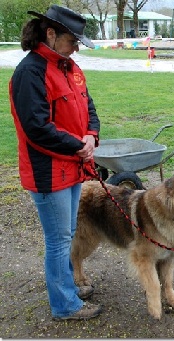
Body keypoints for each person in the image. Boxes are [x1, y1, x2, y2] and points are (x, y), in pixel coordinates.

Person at [9, 5, 102, 320]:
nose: (76, 47)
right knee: (59, 239)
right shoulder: (29, 72)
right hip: (48, 172)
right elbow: (36, 128)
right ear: (50, 34)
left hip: (74, 167)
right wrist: (79, 146)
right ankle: (65, 305)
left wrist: (91, 135)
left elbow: (89, 106)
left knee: (69, 231)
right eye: (72, 40)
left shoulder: (70, 67)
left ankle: (66, 288)